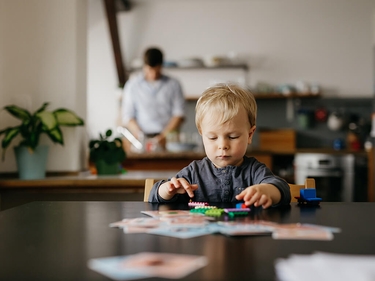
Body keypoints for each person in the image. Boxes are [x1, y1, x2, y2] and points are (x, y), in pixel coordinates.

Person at [148, 83, 291, 208]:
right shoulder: (193, 172)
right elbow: (154, 198)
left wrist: (266, 190)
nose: (222, 145)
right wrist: (167, 190)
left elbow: (282, 189)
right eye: (212, 137)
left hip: (243, 235)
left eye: (233, 136)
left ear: (250, 134)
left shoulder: (254, 171)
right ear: (202, 135)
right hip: (204, 237)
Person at [121, 47, 185, 150]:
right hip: (140, 140)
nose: (154, 74)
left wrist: (164, 136)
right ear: (144, 66)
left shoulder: (174, 84)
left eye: (157, 69)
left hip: (168, 139)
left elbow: (179, 114)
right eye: (150, 69)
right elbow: (128, 115)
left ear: (161, 66)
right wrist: (139, 133)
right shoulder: (132, 85)